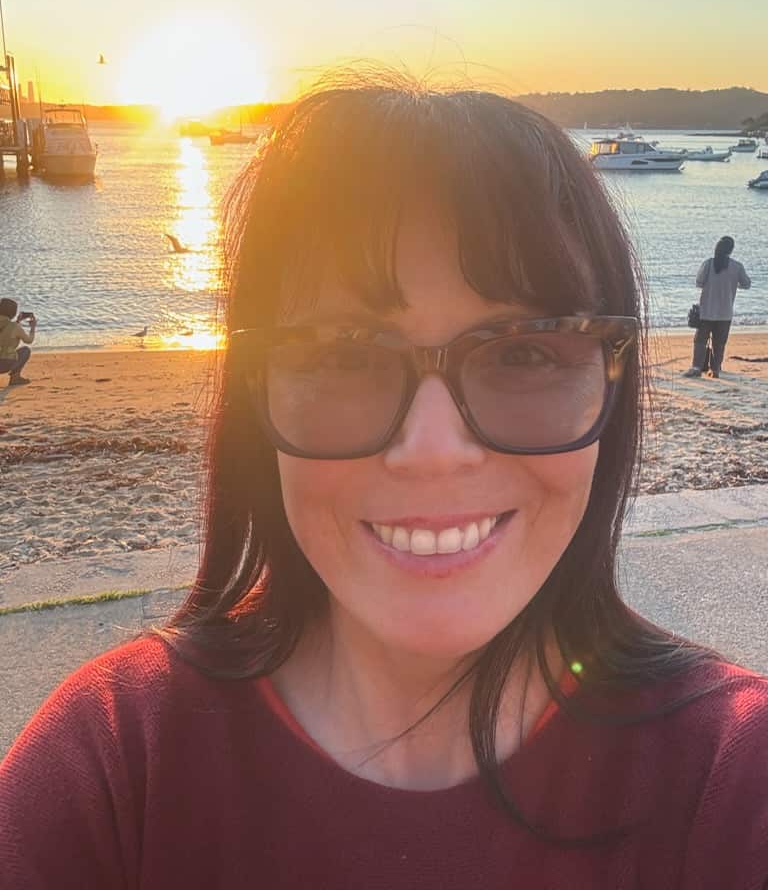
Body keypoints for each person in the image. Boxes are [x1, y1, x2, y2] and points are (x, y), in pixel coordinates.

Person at [1, 82, 767, 888]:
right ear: (256, 400)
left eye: (526, 352)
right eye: (341, 353)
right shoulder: (118, 763)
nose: (433, 451)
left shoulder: (733, 778)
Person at [683, 236, 751, 378]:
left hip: (707, 310)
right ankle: (715, 370)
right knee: (719, 343)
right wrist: (733, 284)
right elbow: (746, 284)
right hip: (725, 312)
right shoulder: (737, 266)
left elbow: (699, 282)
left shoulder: (708, 263)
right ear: (731, 250)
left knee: (700, 340)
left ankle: (696, 367)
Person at [0, 298, 36, 387]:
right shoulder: (14, 327)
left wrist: (18, 322)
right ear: (13, 313)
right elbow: (29, 340)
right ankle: (15, 378)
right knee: (25, 350)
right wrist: (32, 327)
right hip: (5, 364)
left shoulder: (14, 326)